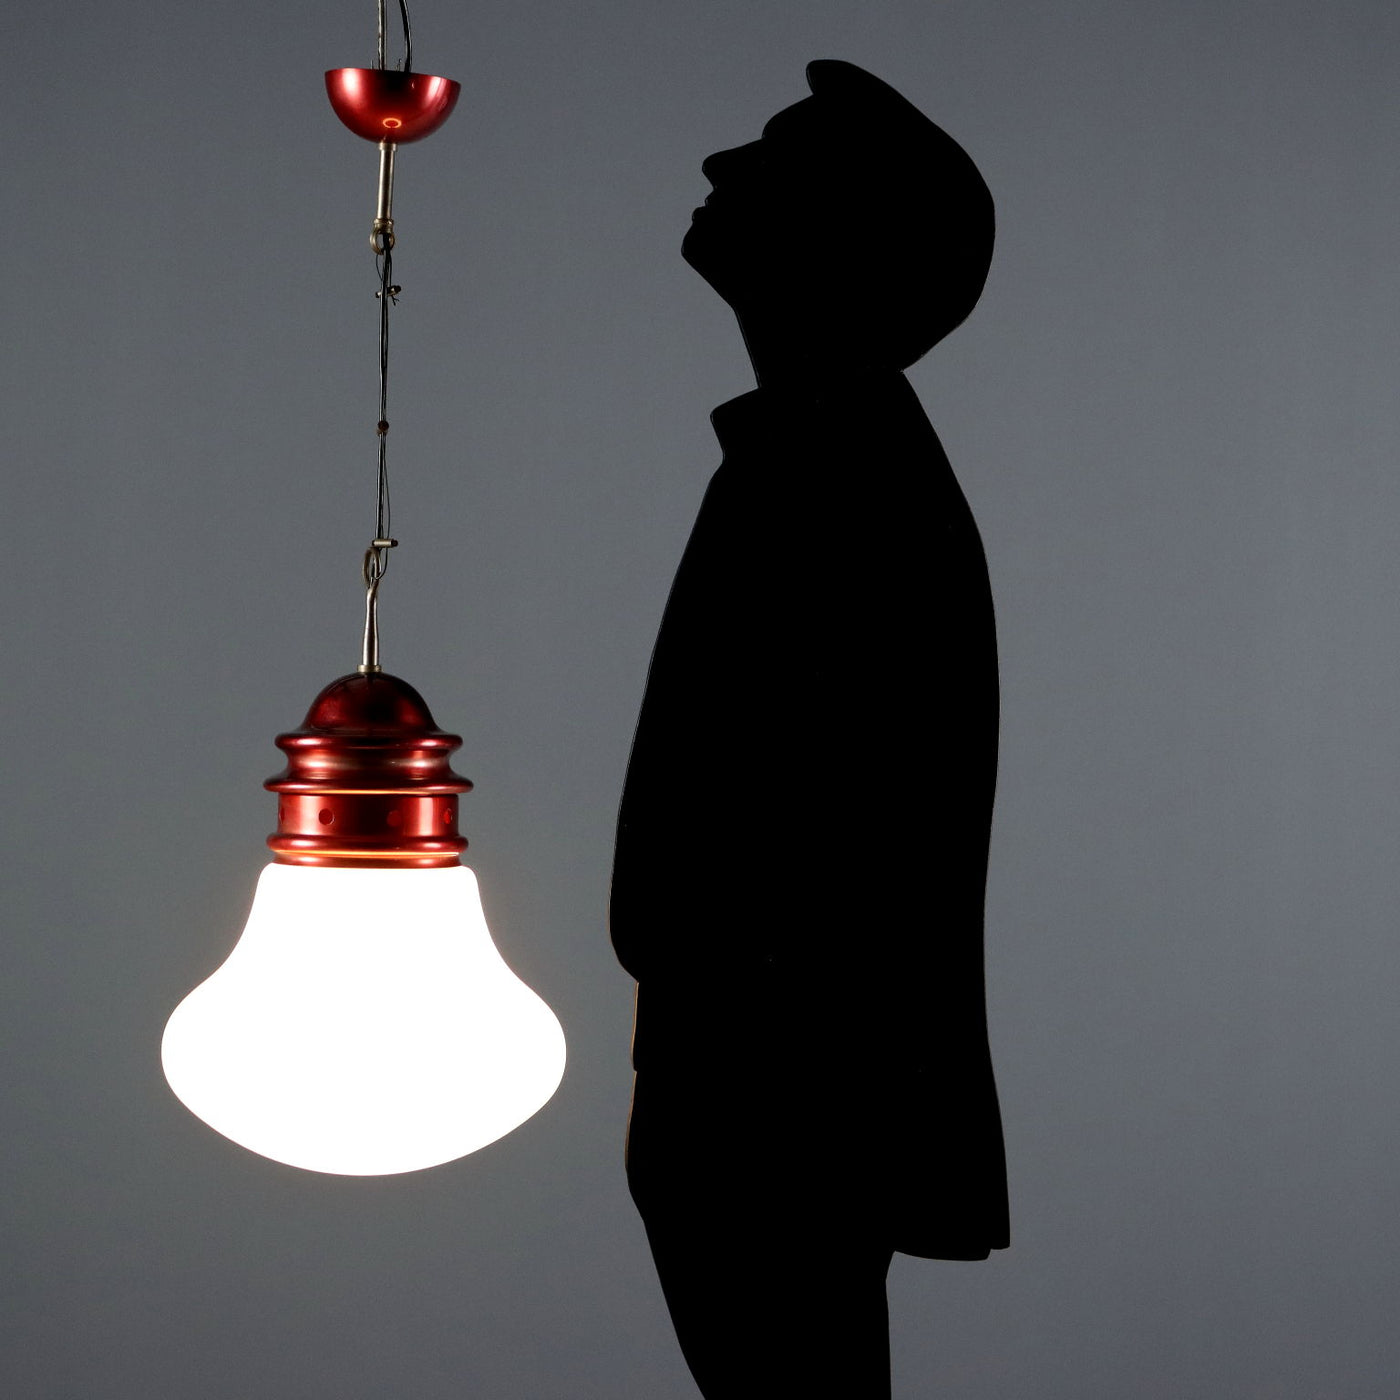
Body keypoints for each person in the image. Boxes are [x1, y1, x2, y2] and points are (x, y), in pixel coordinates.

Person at [610, 59, 1008, 1398]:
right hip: (753, 1066)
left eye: (774, 157)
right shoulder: (823, 453)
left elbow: (848, 806)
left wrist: (719, 998)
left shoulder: (841, 473)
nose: (722, 167)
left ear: (845, 239)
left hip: (777, 1085)